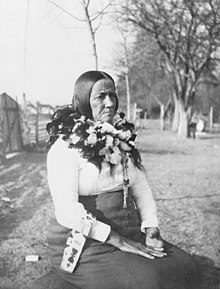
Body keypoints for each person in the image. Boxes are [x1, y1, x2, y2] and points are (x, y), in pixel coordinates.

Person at [45, 70, 201, 289]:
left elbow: (142, 189)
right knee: (151, 282)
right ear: (83, 100)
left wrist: (151, 228)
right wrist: (117, 240)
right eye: (100, 97)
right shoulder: (65, 147)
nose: (109, 103)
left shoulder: (120, 139)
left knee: (186, 266)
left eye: (113, 95)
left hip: (128, 232)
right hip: (86, 244)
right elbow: (67, 211)